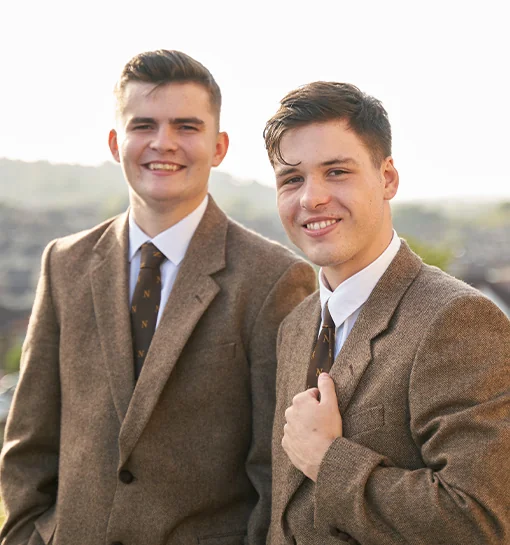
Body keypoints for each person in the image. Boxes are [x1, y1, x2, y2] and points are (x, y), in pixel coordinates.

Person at [0, 50, 316, 545]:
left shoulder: (275, 279)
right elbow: (29, 446)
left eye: (186, 126)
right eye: (143, 124)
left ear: (218, 147)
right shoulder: (64, 264)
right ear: (115, 141)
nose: (163, 143)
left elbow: (275, 471)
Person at [263, 81, 510, 545]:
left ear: (388, 179)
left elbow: (482, 522)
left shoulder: (458, 319)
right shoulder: (296, 325)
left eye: (336, 171)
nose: (311, 198)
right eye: (291, 179)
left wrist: (327, 459)